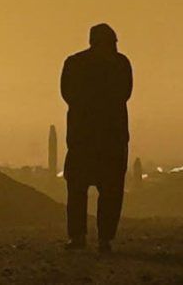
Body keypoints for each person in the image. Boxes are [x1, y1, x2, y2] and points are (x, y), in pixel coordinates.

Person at [60, 23, 133, 253]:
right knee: (108, 191)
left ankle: (80, 236)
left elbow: (67, 94)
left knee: (79, 190)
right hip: (109, 137)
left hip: (84, 137)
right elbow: (125, 93)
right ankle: (103, 239)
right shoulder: (120, 64)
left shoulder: (75, 63)